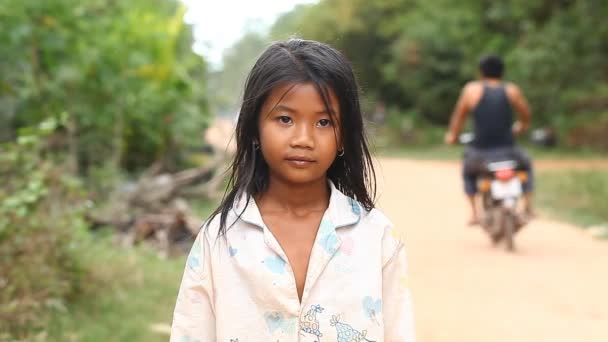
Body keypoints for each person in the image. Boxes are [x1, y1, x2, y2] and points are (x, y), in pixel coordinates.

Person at [171, 39, 415, 341]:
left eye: (324, 122)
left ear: (343, 137)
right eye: (285, 119)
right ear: (254, 129)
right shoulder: (219, 238)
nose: (303, 138)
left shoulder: (376, 237)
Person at [444, 55, 534, 226]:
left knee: (468, 172)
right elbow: (526, 114)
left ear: (481, 72)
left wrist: (453, 136)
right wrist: (522, 127)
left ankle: (474, 213)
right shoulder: (511, 90)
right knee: (527, 165)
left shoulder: (472, 90)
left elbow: (458, 119)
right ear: (502, 72)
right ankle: (528, 206)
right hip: (510, 152)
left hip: (480, 154)